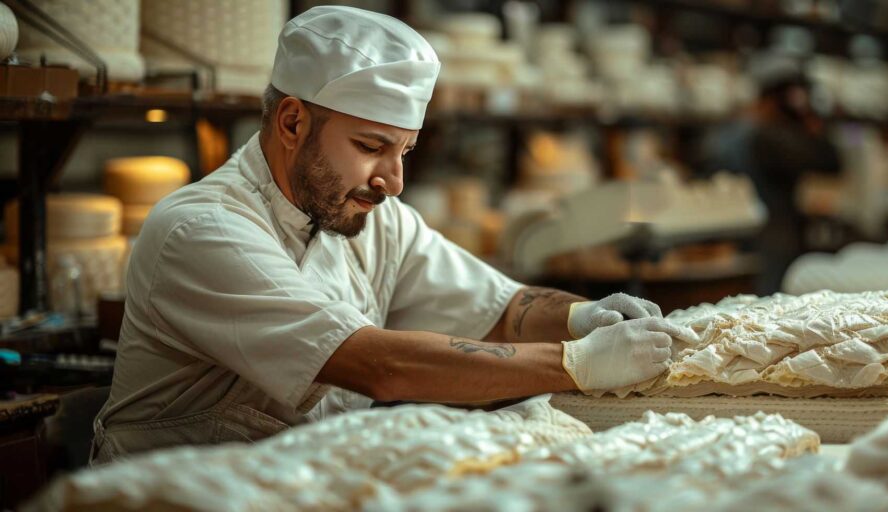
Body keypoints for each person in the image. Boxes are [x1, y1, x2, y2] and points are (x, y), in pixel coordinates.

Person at [90, 6, 681, 464]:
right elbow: (376, 364)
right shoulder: (201, 230)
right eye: (372, 147)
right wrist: (576, 363)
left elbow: (501, 308)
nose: (394, 181)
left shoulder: (368, 214)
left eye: (405, 151)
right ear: (293, 121)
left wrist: (585, 318)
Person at [700, 54, 841, 295]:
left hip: (736, 236)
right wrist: (810, 125)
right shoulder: (770, 136)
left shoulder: (729, 132)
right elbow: (830, 162)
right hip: (772, 237)